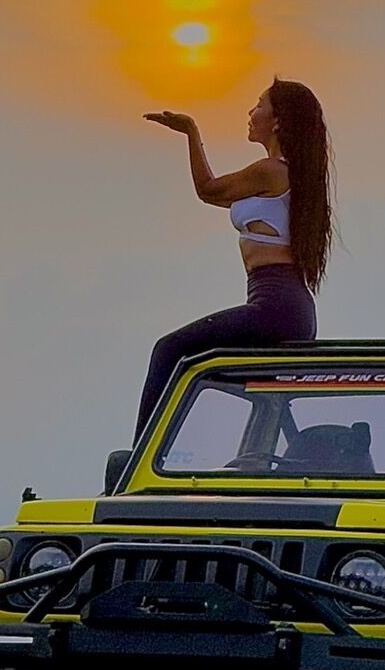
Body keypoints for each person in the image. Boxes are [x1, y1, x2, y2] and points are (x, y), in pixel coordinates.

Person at [134, 77, 333, 442]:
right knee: (262, 395)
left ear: (277, 121)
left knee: (169, 350)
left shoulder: (271, 171)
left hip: (276, 305)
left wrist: (191, 132)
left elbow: (208, 189)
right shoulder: (284, 176)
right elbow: (219, 196)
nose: (250, 112)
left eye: (259, 105)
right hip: (289, 308)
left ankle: (137, 459)